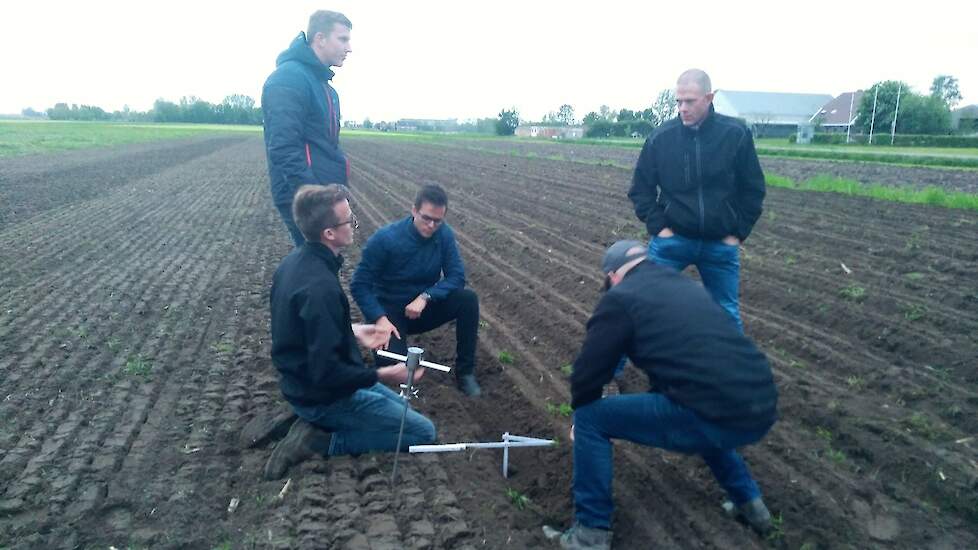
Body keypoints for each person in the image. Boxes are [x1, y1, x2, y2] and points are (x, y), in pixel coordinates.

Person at [549, 240, 778, 549]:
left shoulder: (621, 298)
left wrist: (580, 409)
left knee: (591, 417)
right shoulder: (686, 287)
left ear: (613, 275)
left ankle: (589, 534)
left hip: (710, 408)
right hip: (761, 402)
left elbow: (589, 371)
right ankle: (753, 508)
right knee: (706, 410)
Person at [262, 184, 436, 481]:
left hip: (307, 384)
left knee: (401, 409)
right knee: (422, 433)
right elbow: (328, 373)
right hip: (325, 395)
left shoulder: (296, 264)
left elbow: (305, 330)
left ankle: (311, 419)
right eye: (349, 220)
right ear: (329, 233)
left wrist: (352, 331)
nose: (354, 225)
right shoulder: (320, 288)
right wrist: (384, 375)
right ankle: (321, 440)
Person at [628, 69, 766, 332]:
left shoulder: (735, 134)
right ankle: (614, 371)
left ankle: (729, 371)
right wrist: (660, 228)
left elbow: (753, 188)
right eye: (678, 101)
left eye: (689, 101)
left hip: (720, 244)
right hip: (673, 241)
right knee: (645, 307)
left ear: (709, 97)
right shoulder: (661, 137)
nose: (682, 108)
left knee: (725, 314)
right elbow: (640, 189)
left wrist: (737, 233)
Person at [351, 185, 482, 397]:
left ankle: (465, 372)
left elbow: (457, 276)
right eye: (426, 218)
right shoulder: (386, 239)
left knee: (467, 300)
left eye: (437, 221)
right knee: (395, 371)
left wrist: (426, 296)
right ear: (414, 210)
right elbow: (359, 284)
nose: (431, 225)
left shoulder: (444, 235)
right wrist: (379, 318)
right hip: (389, 316)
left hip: (421, 309)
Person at [262, 10, 353, 247]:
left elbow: (326, 145)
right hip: (305, 198)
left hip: (322, 193)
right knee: (315, 267)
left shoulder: (323, 86)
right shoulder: (289, 79)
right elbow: (283, 147)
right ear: (320, 39)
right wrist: (314, 198)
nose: (349, 47)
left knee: (324, 263)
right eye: (342, 39)